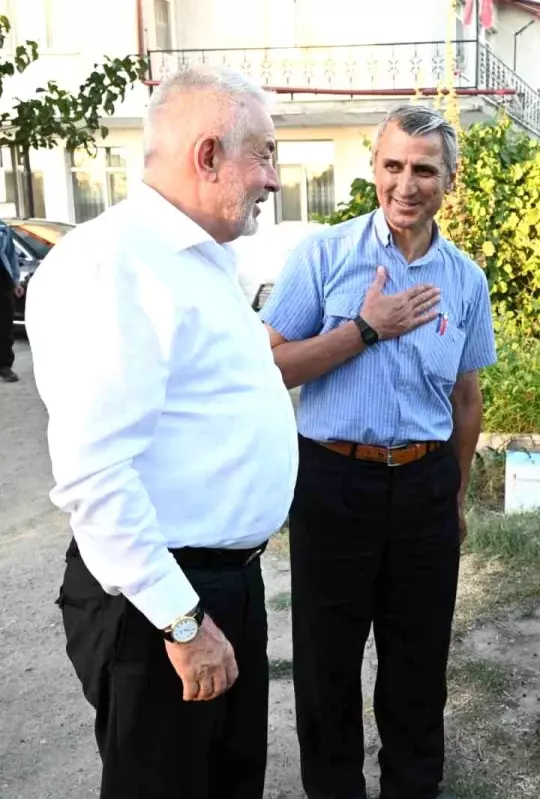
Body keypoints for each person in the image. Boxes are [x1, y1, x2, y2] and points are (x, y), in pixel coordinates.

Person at [24, 66, 296, 799]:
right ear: (207, 155)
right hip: (161, 601)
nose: (273, 179)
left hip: (220, 584)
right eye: (263, 155)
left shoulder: (200, 259)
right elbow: (96, 474)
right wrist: (182, 623)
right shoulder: (112, 265)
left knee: (226, 784)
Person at [260, 104, 495, 799]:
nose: (406, 183)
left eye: (424, 169)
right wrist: (364, 328)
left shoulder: (465, 280)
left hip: (423, 482)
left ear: (448, 180)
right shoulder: (323, 256)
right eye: (393, 166)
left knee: (419, 663)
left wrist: (452, 496)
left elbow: (466, 399)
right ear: (374, 169)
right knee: (327, 665)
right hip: (334, 480)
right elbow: (272, 366)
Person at [0, 218, 21, 382]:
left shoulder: (3, 228)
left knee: (5, 326)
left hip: (3, 282)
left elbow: (11, 255)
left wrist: (15, 282)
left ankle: (5, 367)